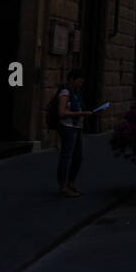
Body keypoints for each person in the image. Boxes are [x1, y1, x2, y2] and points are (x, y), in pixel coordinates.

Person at [54, 69, 93, 197]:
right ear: (71, 79)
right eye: (79, 81)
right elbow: (61, 113)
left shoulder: (76, 92)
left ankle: (71, 184)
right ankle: (63, 187)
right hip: (68, 128)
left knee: (78, 157)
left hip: (76, 127)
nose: (80, 84)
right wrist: (81, 114)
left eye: (82, 82)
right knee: (66, 157)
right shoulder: (65, 92)